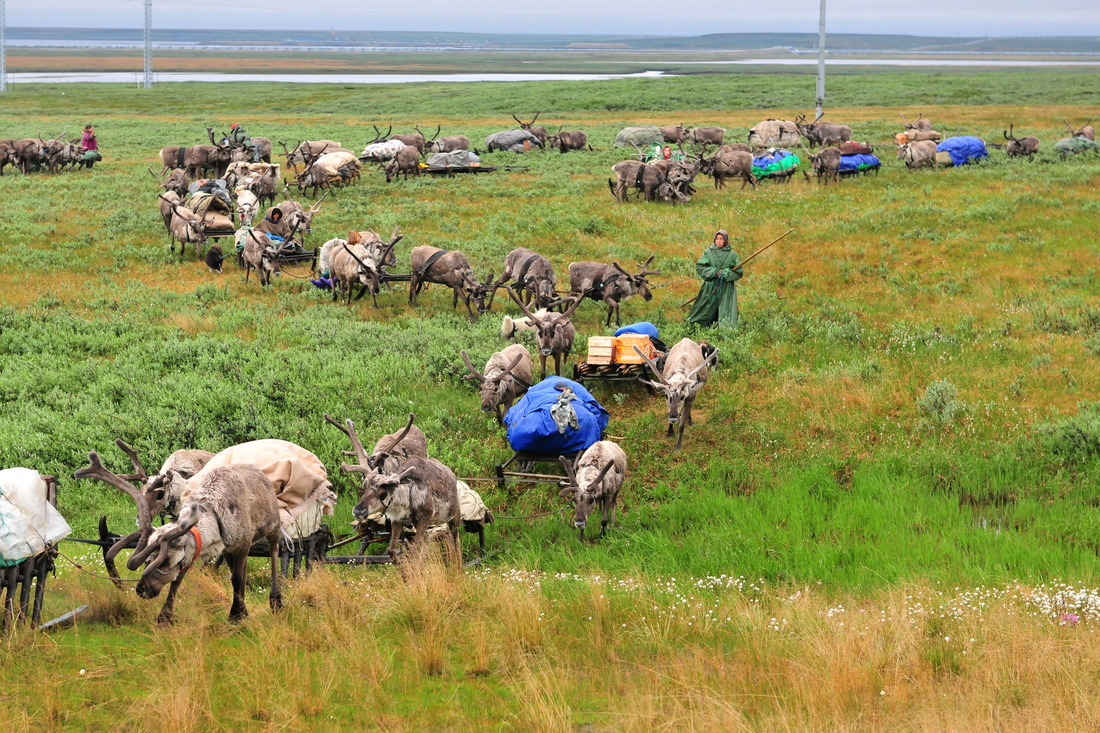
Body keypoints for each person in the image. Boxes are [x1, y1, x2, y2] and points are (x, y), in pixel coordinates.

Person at [686, 230, 743, 329]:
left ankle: (727, 331)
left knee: (726, 310)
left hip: (726, 288)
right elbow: (700, 267)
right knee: (704, 307)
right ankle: (696, 327)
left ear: (725, 241)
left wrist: (726, 273)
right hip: (710, 286)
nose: (719, 241)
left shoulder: (732, 255)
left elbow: (738, 272)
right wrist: (714, 272)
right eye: (717, 239)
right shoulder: (708, 253)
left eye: (721, 239)